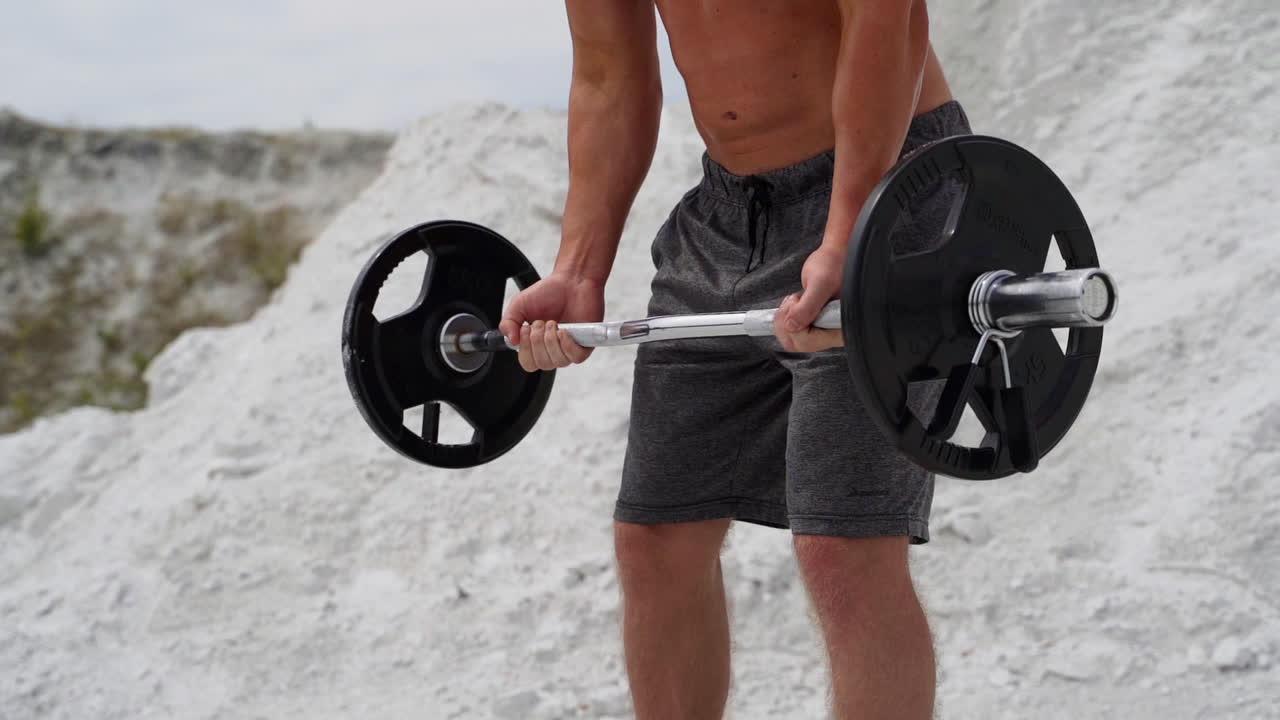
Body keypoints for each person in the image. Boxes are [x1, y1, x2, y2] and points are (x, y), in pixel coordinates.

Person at [498, 2, 970, 718]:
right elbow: (605, 74)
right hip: (727, 215)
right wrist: (580, 267)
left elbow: (890, 21)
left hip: (889, 182)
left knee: (843, 548)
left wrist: (847, 236)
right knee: (655, 540)